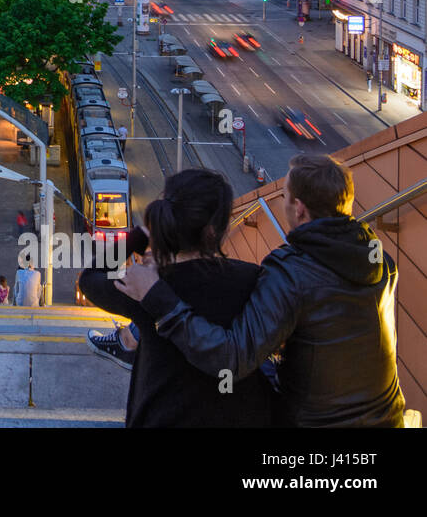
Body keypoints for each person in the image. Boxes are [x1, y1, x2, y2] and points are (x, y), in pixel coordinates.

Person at [118, 154, 405, 427]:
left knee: (240, 382)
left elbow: (230, 359)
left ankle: (132, 341)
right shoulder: (380, 260)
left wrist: (156, 295)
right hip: (387, 417)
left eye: (284, 196)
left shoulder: (291, 273)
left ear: (300, 209)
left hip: (311, 424)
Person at [79, 168, 277, 427]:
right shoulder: (252, 279)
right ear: (215, 231)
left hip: (163, 416)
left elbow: (90, 277)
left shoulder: (148, 285)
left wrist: (139, 236)